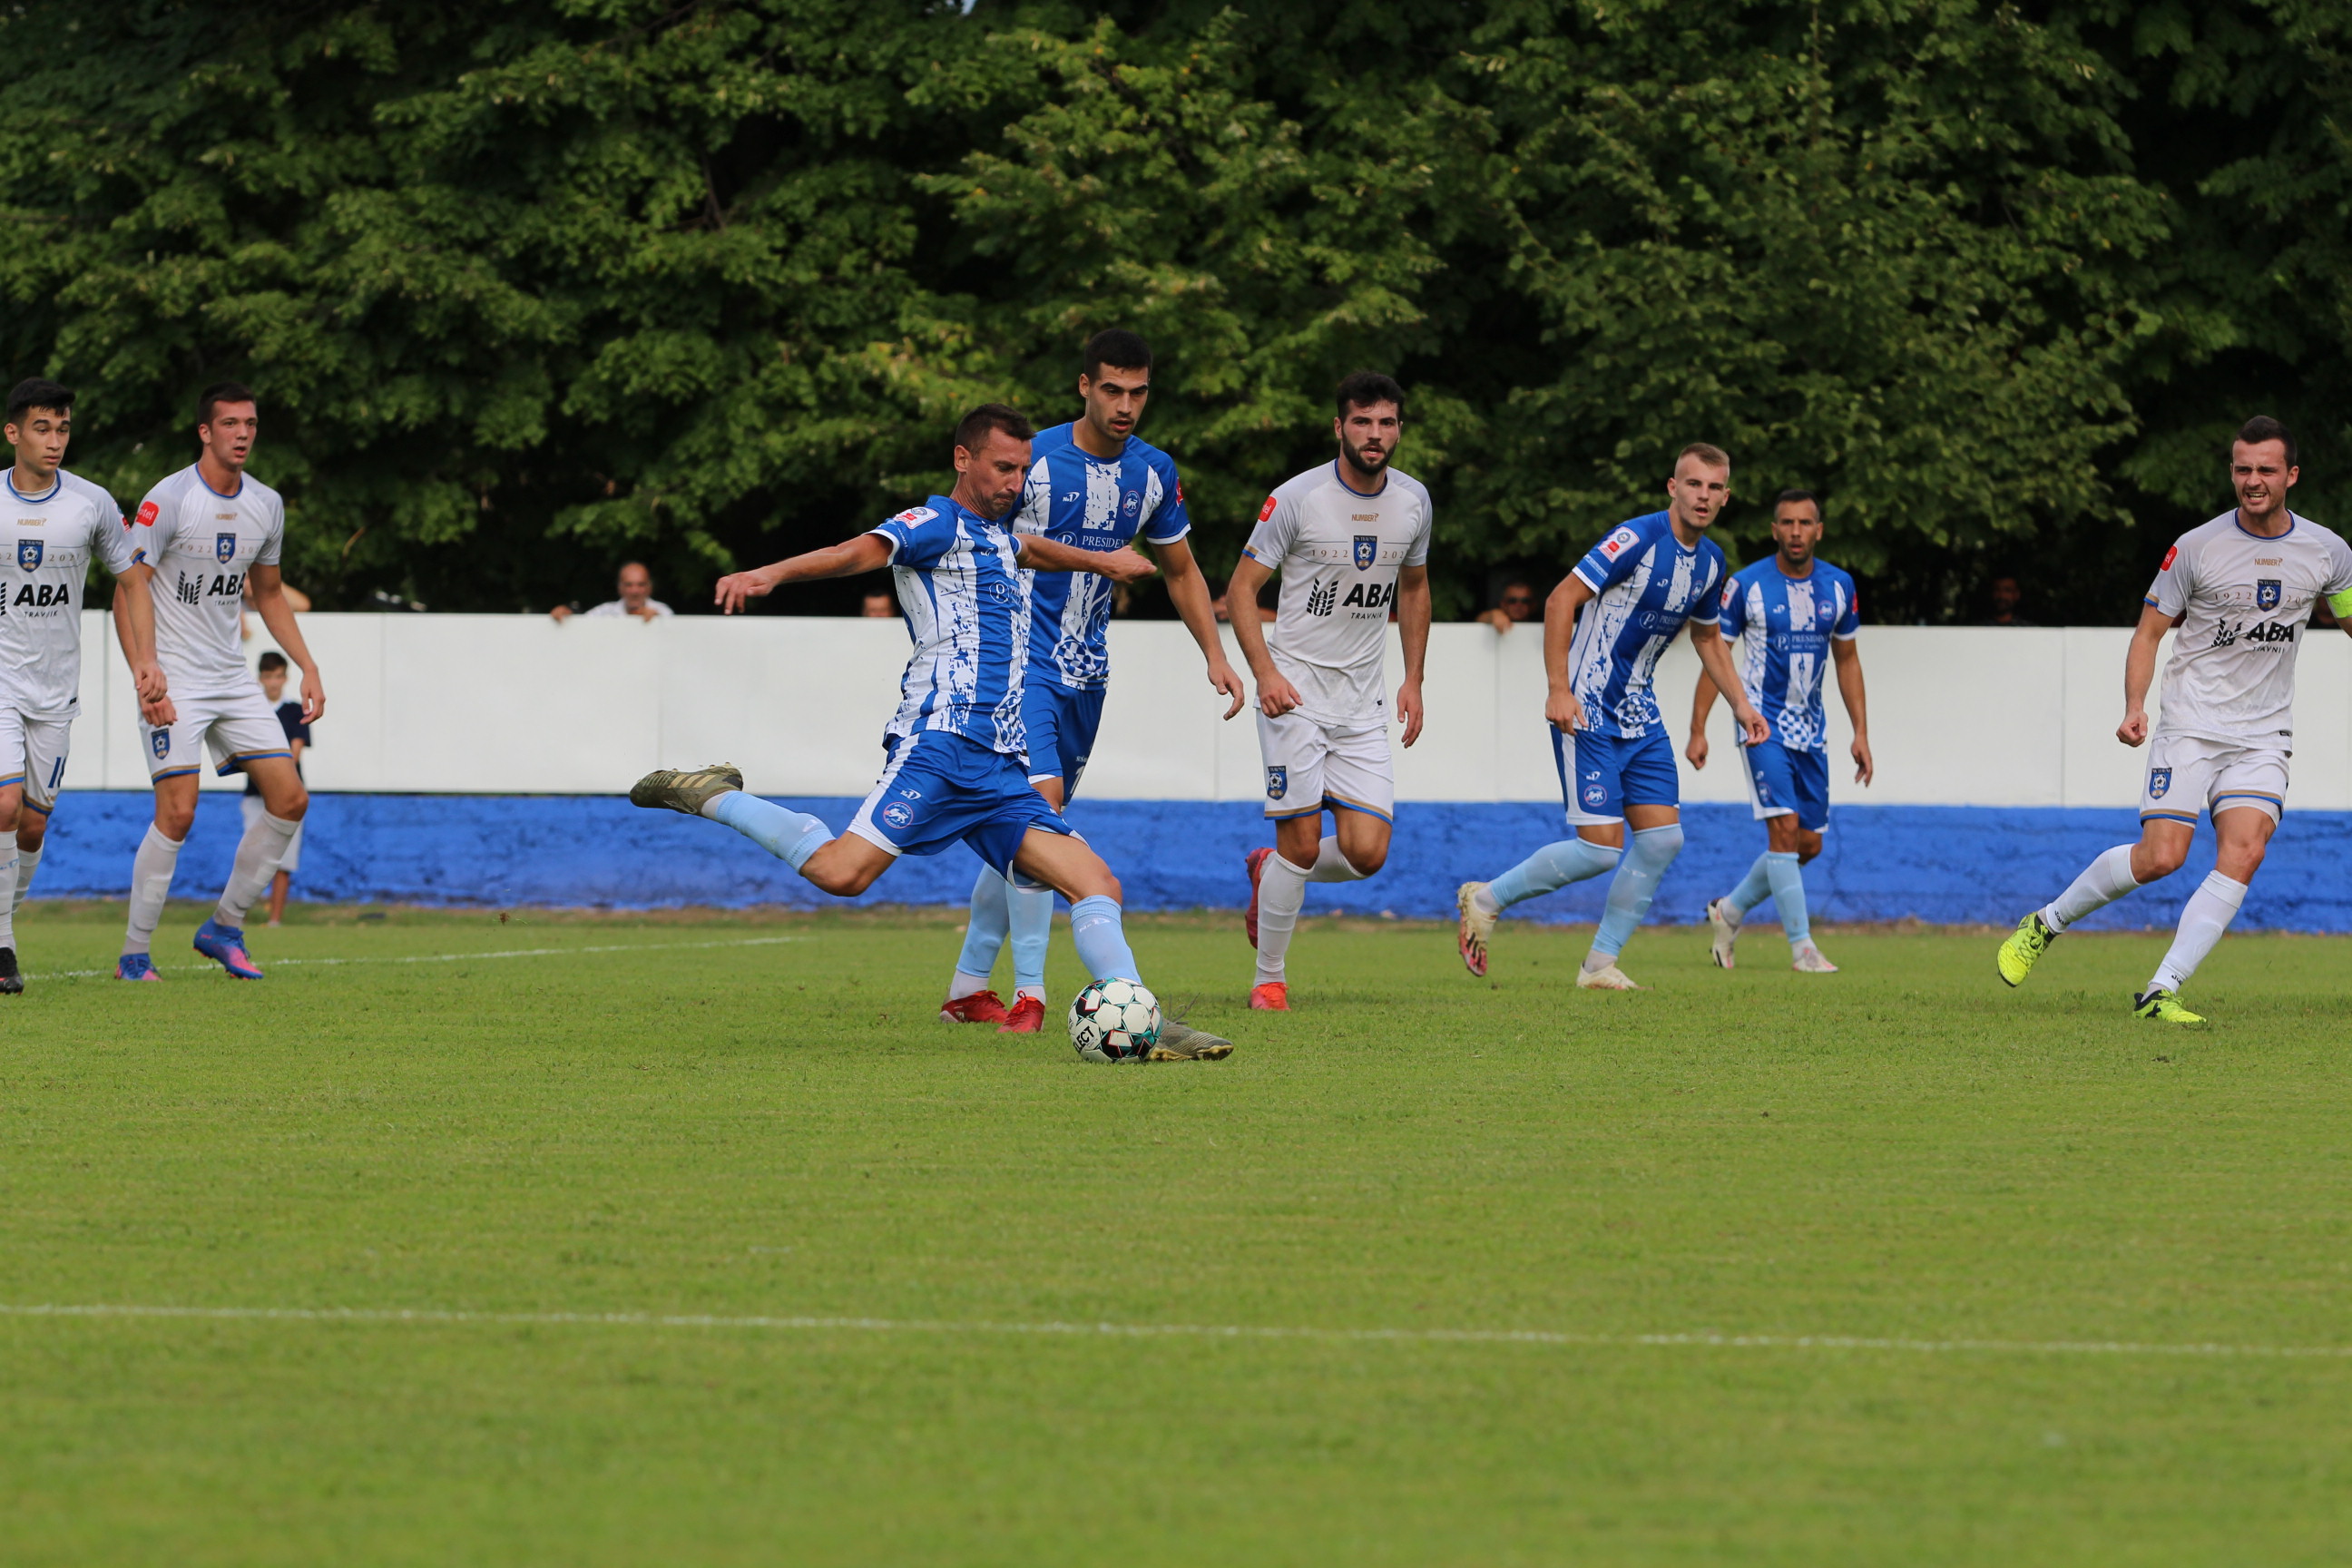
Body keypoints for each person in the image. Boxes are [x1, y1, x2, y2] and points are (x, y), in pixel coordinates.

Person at [628, 403, 1233, 1061]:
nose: (1014, 483)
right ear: (962, 459)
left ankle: (1140, 1016)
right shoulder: (934, 523)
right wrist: (771, 573)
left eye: (1023, 470)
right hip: (939, 748)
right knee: (842, 874)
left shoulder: (1002, 536)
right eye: (1002, 467)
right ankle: (712, 794)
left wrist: (1104, 563)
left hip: (999, 768)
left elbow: (1033, 548)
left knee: (1097, 884)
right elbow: (854, 552)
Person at [1996, 415, 2352, 1023]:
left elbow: (2348, 619)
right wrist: (2135, 707)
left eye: (2266, 469)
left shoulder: (2328, 553)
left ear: (2291, 474)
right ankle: (2045, 922)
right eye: (2243, 469)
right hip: (2189, 725)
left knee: (2244, 850)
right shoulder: (2196, 548)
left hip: (2264, 735)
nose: (2253, 480)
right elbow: (2148, 632)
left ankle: (2161, 989)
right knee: (2163, 857)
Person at [940, 330, 1245, 1034]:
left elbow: (1181, 569)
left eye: (1138, 392)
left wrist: (1216, 653)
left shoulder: (1154, 472)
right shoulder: (1034, 459)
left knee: (1031, 840)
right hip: (1020, 669)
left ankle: (965, 987)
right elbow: (979, 540)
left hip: (1086, 677)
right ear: (1084, 386)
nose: (1126, 405)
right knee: (1040, 819)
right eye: (1112, 389)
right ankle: (1031, 994)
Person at [1453, 444, 1770, 989]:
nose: (1704, 496)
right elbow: (1560, 600)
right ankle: (1484, 900)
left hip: (1640, 713)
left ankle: (1599, 965)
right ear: (1673, 487)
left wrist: (1742, 706)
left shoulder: (1713, 562)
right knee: (1599, 849)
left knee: (1663, 840)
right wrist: (1557, 689)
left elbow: (1708, 637)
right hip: (1587, 705)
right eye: (1694, 484)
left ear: (1726, 497)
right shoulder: (1635, 539)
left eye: (1715, 488)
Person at [1225, 371, 1433, 1012]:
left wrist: (1414, 679)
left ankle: (1269, 872)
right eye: (1363, 422)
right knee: (1304, 842)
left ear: (1399, 429)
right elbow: (1240, 591)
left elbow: (1415, 588)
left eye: (1388, 422)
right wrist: (1265, 674)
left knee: (1369, 854)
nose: (1376, 434)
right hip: (1296, 695)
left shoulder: (1414, 501)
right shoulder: (1298, 498)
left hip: (1363, 701)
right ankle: (1270, 979)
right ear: (1339, 427)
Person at [113, 381, 325, 981]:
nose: (243, 434)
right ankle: (134, 955)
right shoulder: (168, 499)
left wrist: (307, 665)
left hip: (232, 676)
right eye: (230, 424)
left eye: (251, 424)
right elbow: (124, 592)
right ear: (205, 432)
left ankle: (224, 927)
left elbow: (269, 594)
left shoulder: (266, 504)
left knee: (290, 799)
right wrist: (144, 673)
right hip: (173, 675)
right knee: (178, 813)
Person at [1687, 489, 1874, 973]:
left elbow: (1847, 659)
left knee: (1807, 844)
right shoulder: (1744, 586)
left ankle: (1728, 911)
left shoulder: (1839, 586)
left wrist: (1861, 733)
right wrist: (1698, 727)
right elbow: (1715, 654)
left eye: (1804, 523)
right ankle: (1803, 949)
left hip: (1812, 729)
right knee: (1784, 830)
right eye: (1786, 523)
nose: (1795, 532)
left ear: (1819, 530)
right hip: (1760, 724)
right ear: (1774, 530)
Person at [0, 379, 145, 993]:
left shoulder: (92, 504)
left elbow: (133, 581)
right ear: (13, 433)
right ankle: (2, 947)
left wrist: (147, 664)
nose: (55, 440)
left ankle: (3, 920)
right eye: (41, 428)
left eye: (62, 428)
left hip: (56, 691)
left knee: (32, 826)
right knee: (4, 807)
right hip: (2, 682)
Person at [245, 651, 312, 926]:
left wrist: (270, 771)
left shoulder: (295, 711)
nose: (273, 682)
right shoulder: (250, 710)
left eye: (278, 676)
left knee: (284, 859)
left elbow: (293, 754)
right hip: (254, 795)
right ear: (261, 678)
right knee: (251, 856)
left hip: (289, 796)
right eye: (268, 676)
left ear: (285, 678)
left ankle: (275, 919)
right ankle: (239, 916)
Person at [551, 562, 670, 621]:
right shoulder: (605, 612)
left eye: (641, 585)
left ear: (649, 588)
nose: (635, 591)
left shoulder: (662, 611)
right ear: (620, 588)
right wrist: (566, 614)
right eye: (629, 585)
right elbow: (582, 625)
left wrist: (656, 619)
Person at [1476, 578, 1540, 632]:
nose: (1518, 605)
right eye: (1512, 601)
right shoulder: (1497, 616)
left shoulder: (1543, 625)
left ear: (1533, 605)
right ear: (1503, 604)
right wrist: (1494, 615)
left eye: (1525, 601)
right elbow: (1479, 619)